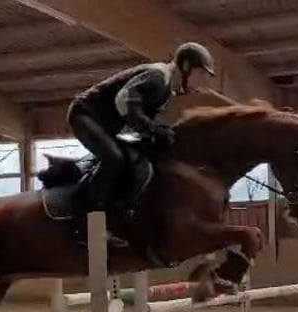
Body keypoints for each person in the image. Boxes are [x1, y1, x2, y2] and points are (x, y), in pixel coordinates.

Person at [66, 42, 216, 243]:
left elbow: (145, 120)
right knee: (114, 158)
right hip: (85, 115)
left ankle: (118, 212)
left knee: (138, 159)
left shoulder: (167, 89)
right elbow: (124, 100)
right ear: (187, 66)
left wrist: (160, 134)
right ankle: (80, 216)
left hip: (105, 125)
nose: (203, 82)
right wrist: (151, 130)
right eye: (201, 74)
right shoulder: (158, 77)